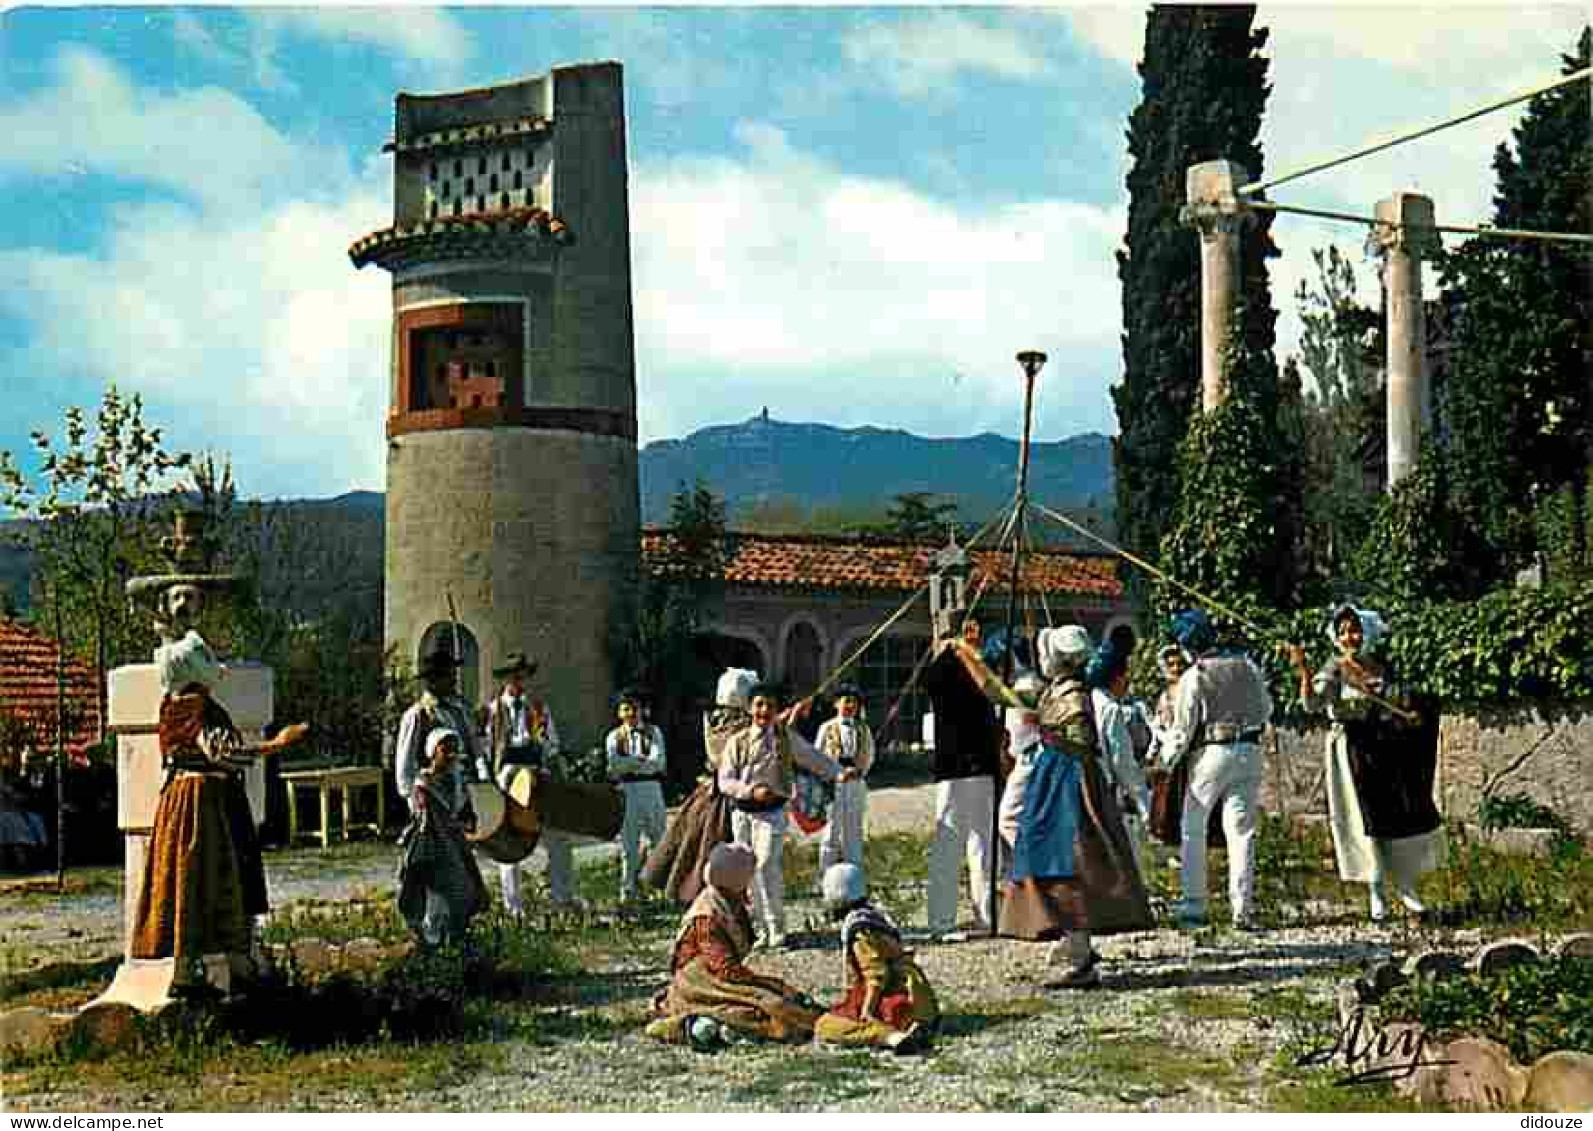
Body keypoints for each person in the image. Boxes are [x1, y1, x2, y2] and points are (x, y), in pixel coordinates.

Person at [950, 625, 1152, 986]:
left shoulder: (1069, 693)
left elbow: (999, 693)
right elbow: (998, 692)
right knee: (1062, 859)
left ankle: (1078, 953)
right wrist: (970, 655)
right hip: (1061, 776)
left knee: (1070, 861)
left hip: (1068, 780)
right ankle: (1073, 941)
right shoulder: (1064, 689)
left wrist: (969, 655)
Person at [130, 605, 306, 994]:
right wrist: (277, 744)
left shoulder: (170, 706)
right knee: (214, 876)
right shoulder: (200, 708)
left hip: (179, 798)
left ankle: (188, 970)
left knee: (184, 879)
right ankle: (231, 970)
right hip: (205, 799)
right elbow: (222, 753)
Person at [1286, 606, 1443, 923]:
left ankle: (1406, 887)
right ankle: (1375, 892)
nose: (1349, 637)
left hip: (1383, 745)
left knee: (1394, 816)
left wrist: (1403, 708)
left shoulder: (1378, 666)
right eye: (1343, 631)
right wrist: (1303, 671)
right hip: (1351, 749)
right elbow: (1313, 703)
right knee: (1363, 820)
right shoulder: (1334, 668)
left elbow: (1398, 699)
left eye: (1354, 630)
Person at [644, 843, 824, 1048]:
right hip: (700, 979)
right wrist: (769, 984)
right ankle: (694, 1027)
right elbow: (726, 969)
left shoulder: (727, 899)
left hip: (715, 975)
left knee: (773, 998)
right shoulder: (707, 916)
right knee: (765, 1005)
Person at [1157, 610, 1273, 930]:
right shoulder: (1249, 666)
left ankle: (1194, 905)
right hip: (1250, 749)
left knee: (1193, 827)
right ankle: (1243, 909)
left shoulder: (1195, 675)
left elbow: (1182, 730)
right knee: (1242, 832)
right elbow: (1266, 709)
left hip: (1213, 751)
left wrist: (1163, 764)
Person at [717, 683, 853, 949]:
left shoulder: (785, 738)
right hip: (743, 813)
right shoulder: (737, 742)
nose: (764, 711)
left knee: (767, 864)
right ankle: (758, 929)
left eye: (769, 705)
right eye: (759, 705)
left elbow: (813, 758)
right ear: (749, 708)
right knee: (746, 871)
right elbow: (725, 780)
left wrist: (838, 772)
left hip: (773, 813)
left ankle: (777, 926)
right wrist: (749, 791)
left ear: (777, 709)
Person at [922, 614, 1003, 942]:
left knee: (983, 842)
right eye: (971, 632)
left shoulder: (985, 665)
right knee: (949, 842)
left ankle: (986, 916)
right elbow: (930, 681)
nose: (977, 638)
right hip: (953, 766)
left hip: (982, 765)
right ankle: (941, 921)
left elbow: (994, 692)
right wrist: (954, 649)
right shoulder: (944, 667)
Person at [482, 651, 582, 914]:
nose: (517, 680)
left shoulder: (538, 708)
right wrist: (488, 780)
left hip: (535, 772)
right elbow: (484, 748)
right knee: (510, 841)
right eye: (512, 676)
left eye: (521, 675)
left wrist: (543, 745)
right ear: (504, 679)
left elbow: (553, 744)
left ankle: (562, 899)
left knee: (557, 837)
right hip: (507, 775)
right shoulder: (492, 710)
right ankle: (514, 908)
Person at [814, 863, 938, 1054]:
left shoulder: (859, 929)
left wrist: (868, 1011)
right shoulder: (872, 915)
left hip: (894, 996)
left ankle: (891, 1037)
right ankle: (913, 1026)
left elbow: (876, 975)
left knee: (825, 1026)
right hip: (917, 996)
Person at [396, 727, 489, 947]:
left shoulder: (456, 782)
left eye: (453, 750)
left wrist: (467, 820)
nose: (450, 755)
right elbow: (423, 815)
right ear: (433, 752)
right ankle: (433, 945)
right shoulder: (424, 783)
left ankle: (456, 944)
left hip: (455, 845)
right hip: (433, 846)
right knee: (435, 898)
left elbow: (467, 814)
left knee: (462, 893)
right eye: (445, 749)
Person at [1085, 638, 1153, 870]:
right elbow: (1122, 761)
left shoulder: (1086, 699)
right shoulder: (1110, 709)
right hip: (1106, 790)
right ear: (1117, 677)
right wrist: (1144, 802)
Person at [606, 688, 667, 903]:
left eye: (635, 708)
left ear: (643, 710)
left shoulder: (654, 732)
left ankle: (658, 887)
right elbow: (614, 766)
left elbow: (658, 762)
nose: (631, 713)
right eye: (626, 709)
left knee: (659, 839)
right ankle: (628, 891)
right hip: (627, 790)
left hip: (651, 788)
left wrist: (631, 763)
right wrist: (641, 762)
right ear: (620, 713)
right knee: (629, 844)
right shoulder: (614, 737)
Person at [814, 682, 875, 879]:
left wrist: (860, 770)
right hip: (834, 784)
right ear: (836, 704)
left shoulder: (863, 729)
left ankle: (854, 876)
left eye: (854, 703)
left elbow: (870, 754)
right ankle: (826, 874)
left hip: (855, 784)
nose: (850, 706)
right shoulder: (827, 728)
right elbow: (817, 756)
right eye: (846, 701)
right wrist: (832, 773)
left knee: (854, 831)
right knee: (832, 830)